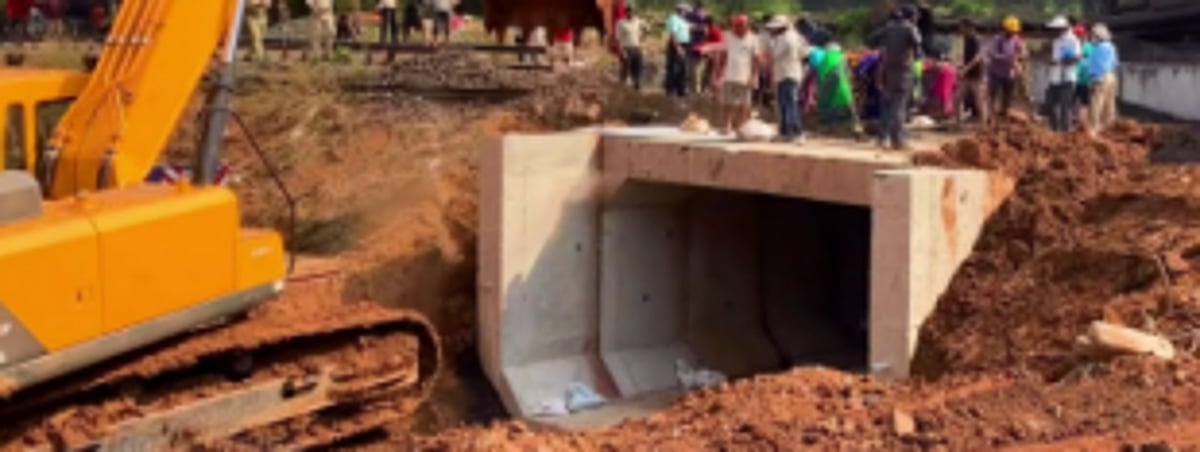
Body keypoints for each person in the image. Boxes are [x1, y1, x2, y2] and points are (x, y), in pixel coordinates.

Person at [872, 7, 922, 150]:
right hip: (903, 70)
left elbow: (872, 38)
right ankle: (898, 140)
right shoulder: (911, 28)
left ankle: (882, 137)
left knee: (887, 104)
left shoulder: (888, 28)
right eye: (916, 16)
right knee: (899, 106)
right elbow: (918, 50)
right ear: (911, 16)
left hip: (888, 70)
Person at [766, 15, 808, 143]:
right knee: (785, 104)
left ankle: (797, 132)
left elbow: (775, 54)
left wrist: (771, 42)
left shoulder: (784, 38)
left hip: (787, 74)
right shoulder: (797, 36)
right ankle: (785, 132)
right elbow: (804, 53)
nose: (772, 31)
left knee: (788, 104)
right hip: (790, 73)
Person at [716, 14, 761, 134]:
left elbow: (756, 59)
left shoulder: (753, 39)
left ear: (746, 26)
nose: (736, 29)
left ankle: (741, 126)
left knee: (745, 103)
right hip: (729, 74)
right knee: (728, 102)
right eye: (735, 26)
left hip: (745, 76)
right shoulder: (727, 36)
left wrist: (753, 76)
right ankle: (727, 126)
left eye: (740, 26)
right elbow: (723, 56)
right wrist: (720, 73)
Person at [986, 15, 1026, 125]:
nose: (1013, 33)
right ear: (1005, 29)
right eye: (1011, 31)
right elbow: (992, 53)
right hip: (996, 72)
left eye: (1014, 31)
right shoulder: (997, 39)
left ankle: (1004, 118)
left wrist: (1020, 56)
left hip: (1009, 74)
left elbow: (1023, 52)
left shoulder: (1016, 39)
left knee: (1008, 97)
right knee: (993, 96)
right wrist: (1008, 58)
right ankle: (991, 119)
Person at [1045, 15, 1081, 132]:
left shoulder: (1073, 39)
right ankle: (1054, 130)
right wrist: (1053, 62)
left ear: (1063, 28)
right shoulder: (1056, 40)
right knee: (1050, 104)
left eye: (1056, 29)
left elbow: (1076, 58)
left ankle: (1065, 134)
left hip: (1067, 78)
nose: (1054, 31)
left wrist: (1059, 61)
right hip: (1055, 77)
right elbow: (1055, 57)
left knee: (1065, 108)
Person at [1086, 23, 1119, 137]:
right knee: (1109, 103)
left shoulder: (1099, 48)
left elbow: (1098, 66)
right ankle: (1109, 126)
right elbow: (1115, 63)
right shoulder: (1111, 46)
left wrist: (1095, 79)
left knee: (1096, 103)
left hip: (1100, 76)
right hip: (1111, 75)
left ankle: (1093, 129)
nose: (1091, 37)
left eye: (1093, 35)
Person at [958, 19, 987, 124]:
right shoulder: (966, 38)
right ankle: (957, 123)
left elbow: (978, 57)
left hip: (977, 74)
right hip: (967, 74)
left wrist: (966, 69)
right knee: (957, 98)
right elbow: (967, 56)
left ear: (968, 27)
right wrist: (962, 64)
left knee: (978, 100)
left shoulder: (976, 39)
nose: (960, 29)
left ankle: (983, 125)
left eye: (962, 26)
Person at [614, 6, 648, 91]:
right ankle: (622, 88)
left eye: (633, 12)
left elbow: (647, 28)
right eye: (629, 12)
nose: (631, 14)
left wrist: (643, 38)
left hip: (637, 48)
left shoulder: (638, 21)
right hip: (626, 49)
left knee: (639, 67)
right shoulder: (621, 23)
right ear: (626, 13)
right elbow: (618, 39)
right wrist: (622, 51)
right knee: (625, 68)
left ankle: (637, 86)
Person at [664, 4, 692, 97]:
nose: (686, 13)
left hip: (685, 44)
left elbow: (690, 27)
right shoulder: (674, 19)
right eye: (685, 11)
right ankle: (671, 89)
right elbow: (673, 34)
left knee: (683, 67)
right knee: (674, 67)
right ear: (681, 10)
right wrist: (678, 47)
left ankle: (681, 89)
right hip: (677, 44)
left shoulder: (683, 20)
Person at [923, 49, 958, 120]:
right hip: (945, 87)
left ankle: (943, 114)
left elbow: (928, 68)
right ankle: (946, 114)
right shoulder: (949, 67)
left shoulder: (940, 66)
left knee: (943, 99)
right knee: (946, 99)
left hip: (942, 87)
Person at [1073, 24, 1094, 128]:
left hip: (1085, 78)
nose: (1077, 37)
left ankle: (1082, 121)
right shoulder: (1074, 46)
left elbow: (1091, 61)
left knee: (1084, 101)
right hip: (1074, 77)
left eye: (1078, 35)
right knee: (1072, 99)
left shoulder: (1088, 47)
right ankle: (1075, 119)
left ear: (1083, 35)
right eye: (1076, 35)